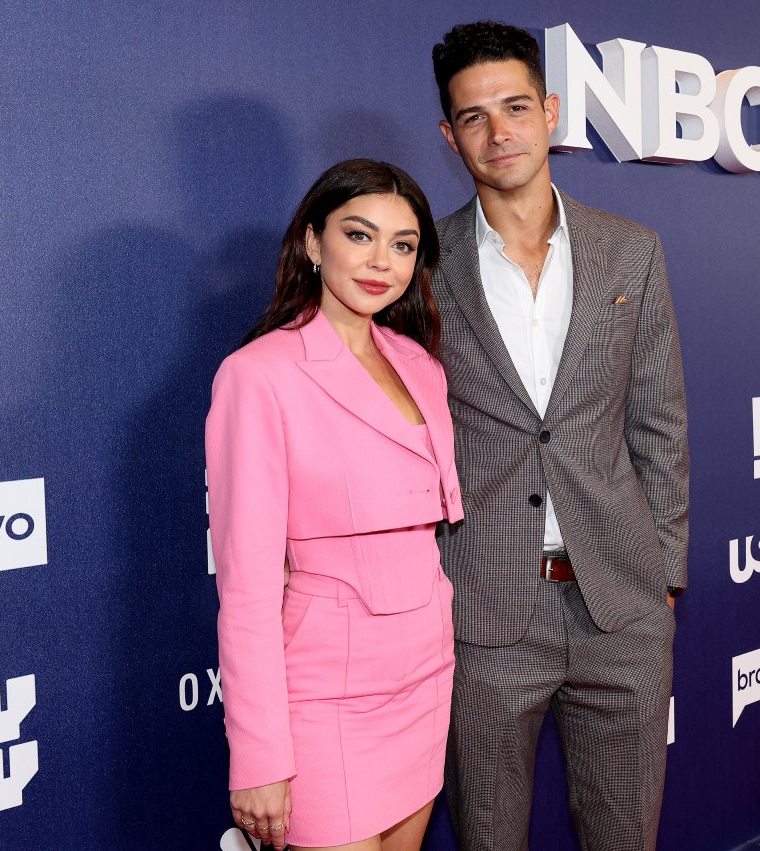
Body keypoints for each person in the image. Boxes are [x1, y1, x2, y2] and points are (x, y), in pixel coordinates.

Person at [430, 22, 690, 851]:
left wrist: (664, 571)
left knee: (625, 835)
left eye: (514, 107)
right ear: (449, 136)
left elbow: (660, 421)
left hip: (620, 602)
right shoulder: (421, 265)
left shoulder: (630, 253)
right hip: (486, 606)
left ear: (549, 112)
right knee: (488, 835)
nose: (497, 131)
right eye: (473, 117)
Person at [205, 159, 462, 851]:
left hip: (424, 676)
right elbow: (248, 588)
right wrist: (260, 755)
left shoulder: (422, 366)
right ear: (314, 243)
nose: (382, 261)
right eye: (360, 235)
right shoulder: (258, 376)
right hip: (323, 698)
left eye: (403, 245)